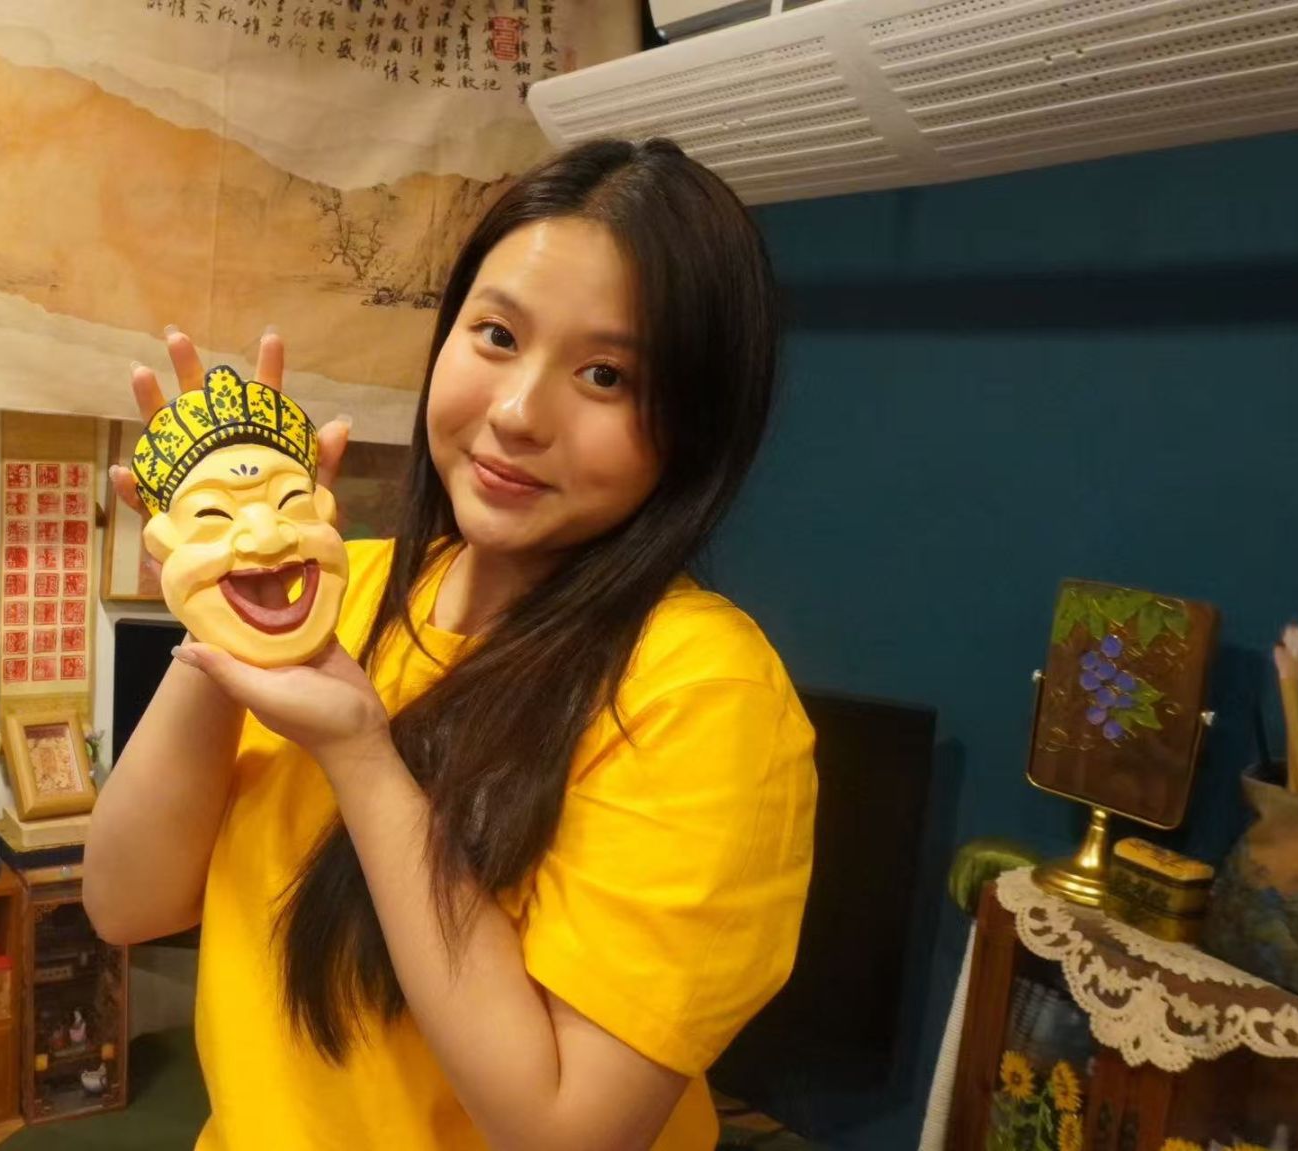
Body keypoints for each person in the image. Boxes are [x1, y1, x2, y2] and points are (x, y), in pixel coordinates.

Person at [83, 137, 817, 1151]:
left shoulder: (703, 690)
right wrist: (228, 584)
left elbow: (562, 1133)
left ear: (692, 424)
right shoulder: (347, 588)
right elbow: (126, 903)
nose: (516, 413)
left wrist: (361, 755)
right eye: (496, 334)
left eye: (604, 374)